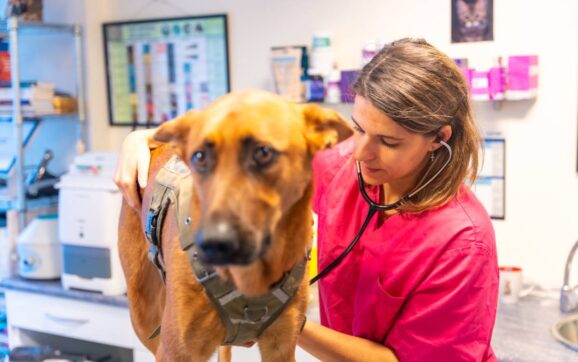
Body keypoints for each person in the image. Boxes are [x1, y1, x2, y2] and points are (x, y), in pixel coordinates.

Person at [114, 38, 498, 361]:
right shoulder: (340, 168)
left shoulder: (463, 243)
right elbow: (243, 144)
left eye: (389, 142)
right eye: (359, 128)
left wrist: (277, 316)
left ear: (439, 139)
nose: (361, 152)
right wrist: (145, 141)